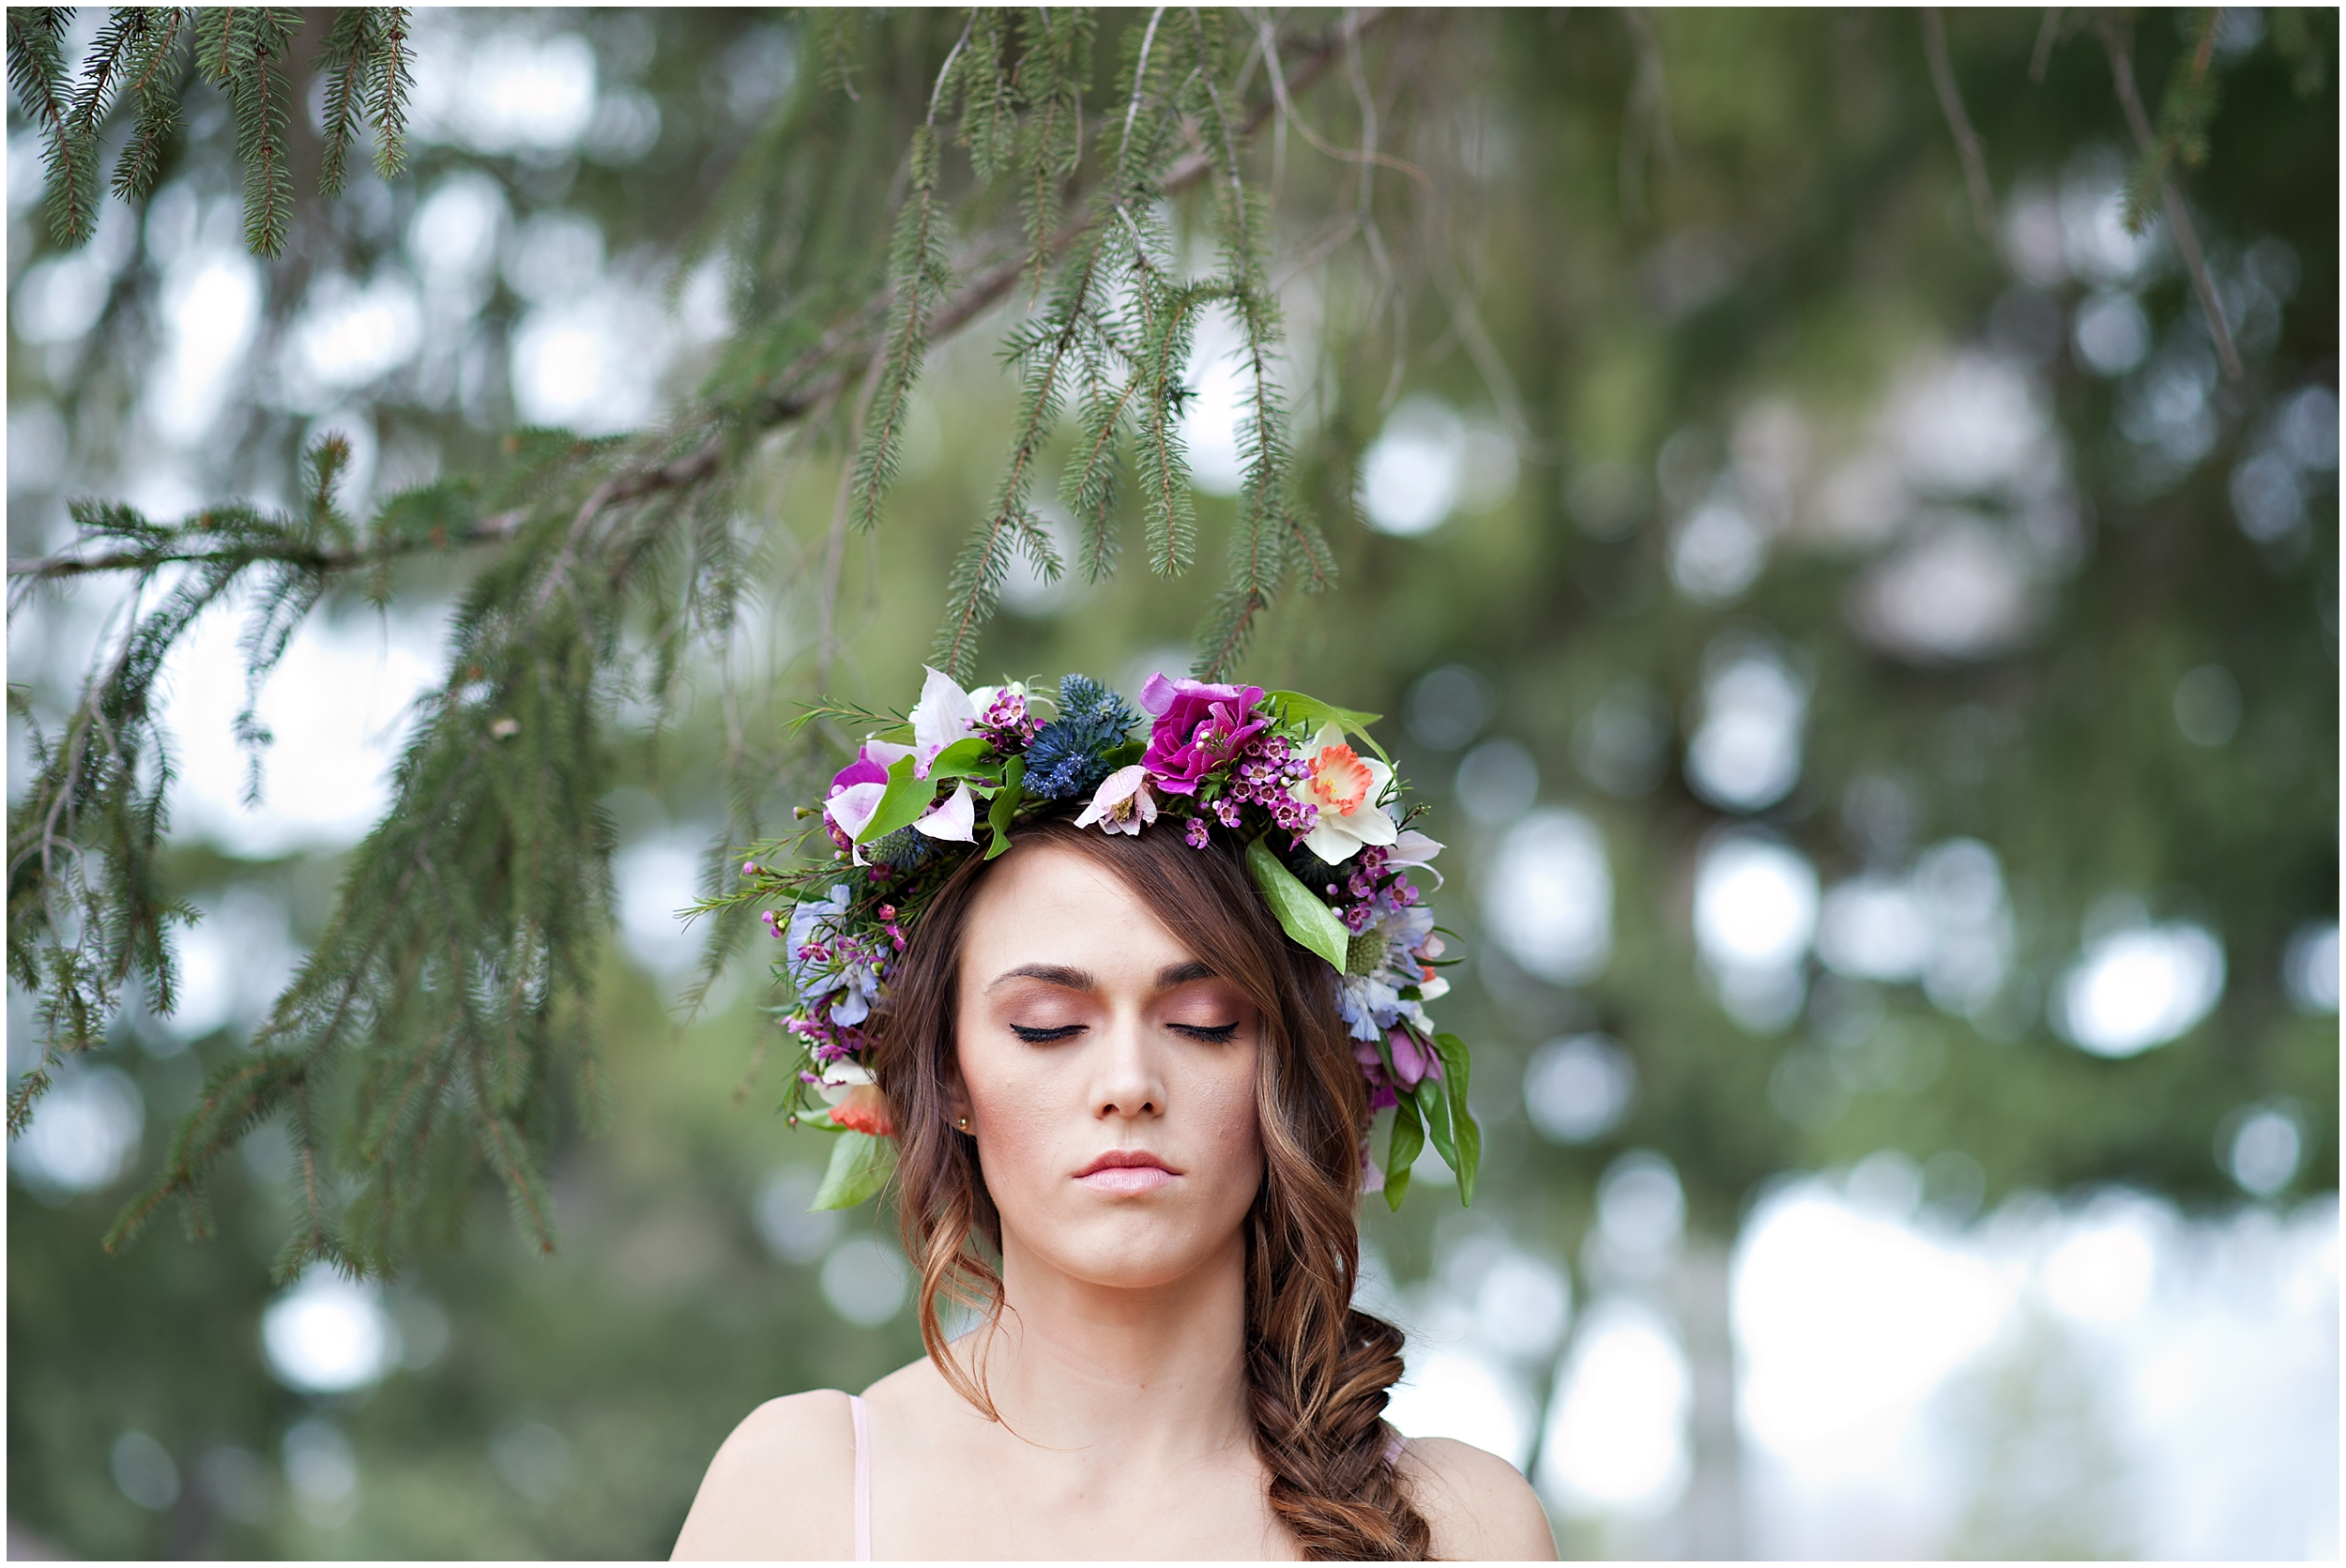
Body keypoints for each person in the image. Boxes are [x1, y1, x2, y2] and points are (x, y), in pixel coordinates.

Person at [672, 671, 1556, 1560]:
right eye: (1046, 1027)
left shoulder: (1464, 1526)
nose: (1129, 1083)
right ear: (946, 1078)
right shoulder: (800, 1492)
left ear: (1287, 1069)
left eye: (1204, 1024)